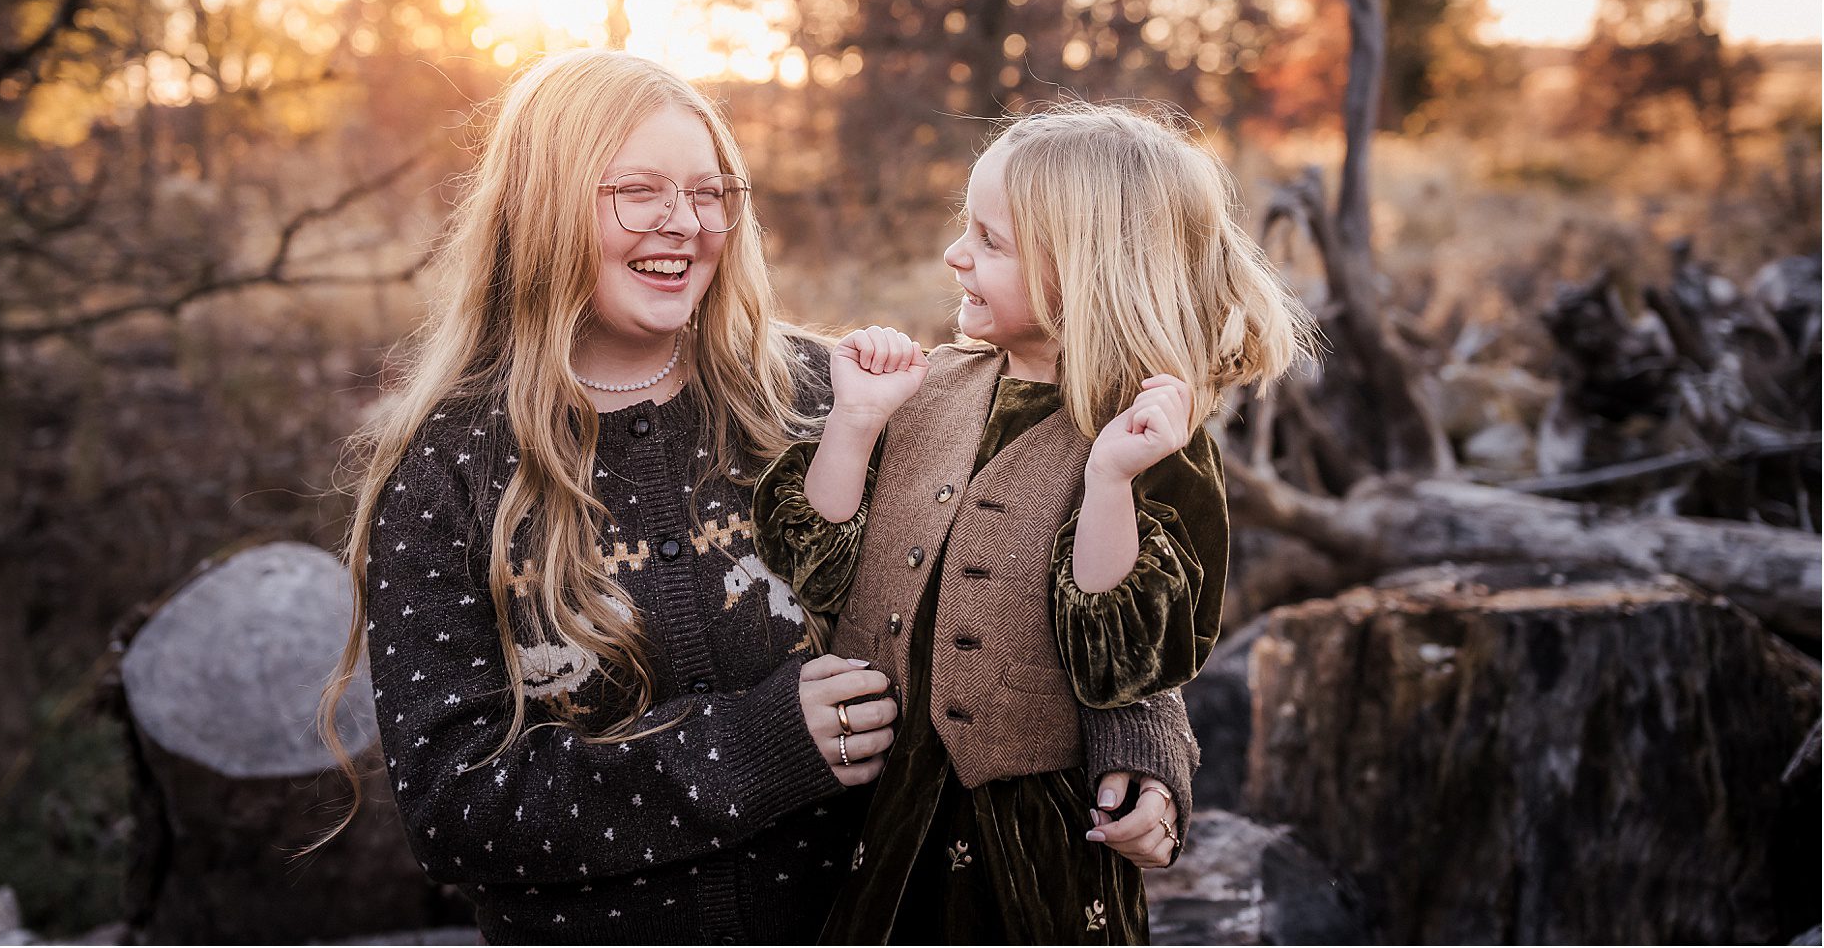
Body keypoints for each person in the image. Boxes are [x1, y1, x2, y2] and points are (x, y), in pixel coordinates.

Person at [318, 52, 1200, 944]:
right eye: (638, 191)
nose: (686, 224)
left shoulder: (833, 396)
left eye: (711, 192)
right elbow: (451, 808)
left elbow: (1017, 573)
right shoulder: (451, 467)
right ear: (542, 202)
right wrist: (757, 746)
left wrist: (1141, 745)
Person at [753, 103, 1315, 944]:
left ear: (1085, 270)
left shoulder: (1148, 441)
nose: (955, 254)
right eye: (964, 228)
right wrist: (854, 424)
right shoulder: (931, 385)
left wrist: (1110, 478)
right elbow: (817, 565)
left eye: (990, 241)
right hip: (877, 809)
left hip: (1031, 842)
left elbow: (1120, 656)